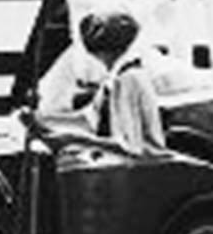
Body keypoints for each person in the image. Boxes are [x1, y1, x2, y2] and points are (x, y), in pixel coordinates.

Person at [38, 10, 167, 156]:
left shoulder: (128, 79)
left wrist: (74, 139)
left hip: (143, 167)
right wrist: (42, 119)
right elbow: (88, 119)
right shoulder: (113, 79)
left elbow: (131, 147)